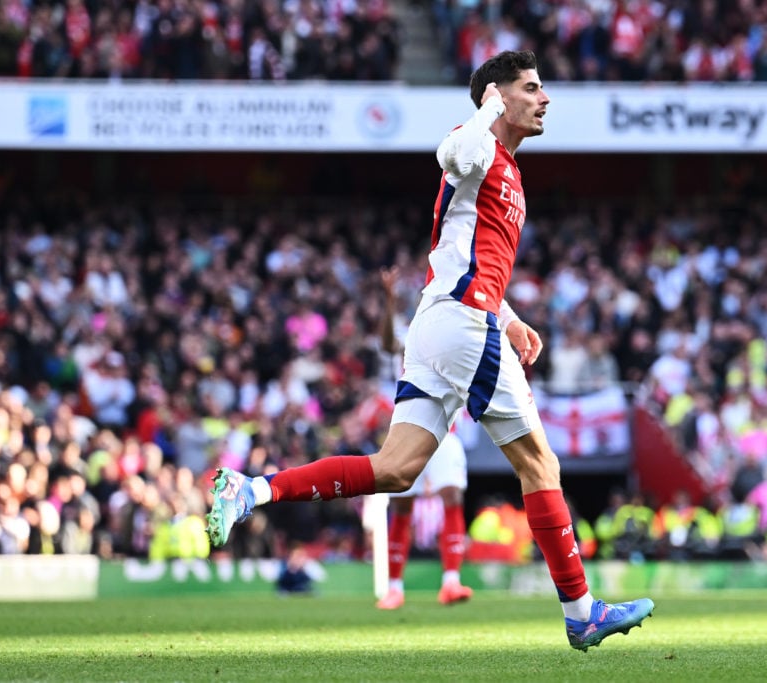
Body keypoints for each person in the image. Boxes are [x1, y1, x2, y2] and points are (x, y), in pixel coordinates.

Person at [206, 49, 654, 652]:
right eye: (531, 87)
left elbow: (461, 259)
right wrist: (486, 110)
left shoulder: (508, 171)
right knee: (539, 466)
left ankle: (252, 490)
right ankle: (581, 611)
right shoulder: (475, 147)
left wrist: (512, 317)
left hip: (445, 320)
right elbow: (450, 156)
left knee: (395, 469)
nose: (544, 98)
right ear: (498, 95)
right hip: (463, 326)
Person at [374, 266, 473, 609]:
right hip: (410, 428)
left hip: (448, 431)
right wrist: (388, 300)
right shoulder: (410, 334)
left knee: (453, 497)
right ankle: (395, 588)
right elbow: (387, 343)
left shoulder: (455, 326)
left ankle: (451, 582)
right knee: (402, 505)